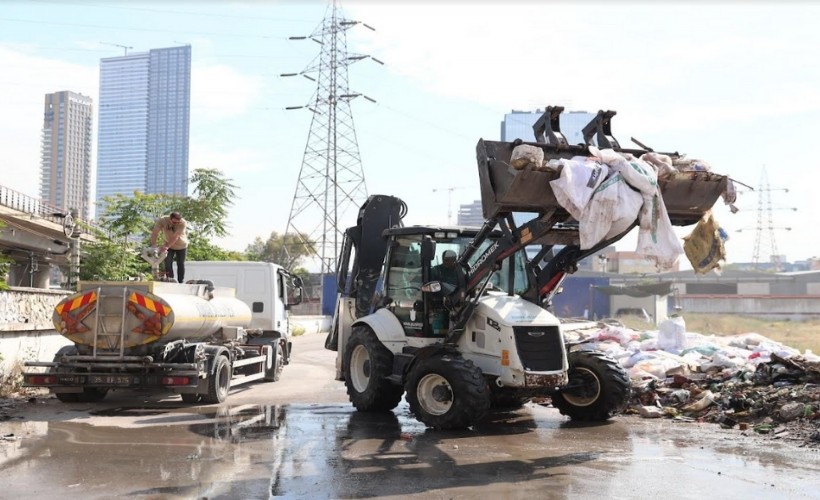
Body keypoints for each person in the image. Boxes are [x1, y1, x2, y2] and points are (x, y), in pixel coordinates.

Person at [150, 211, 188, 283]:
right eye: (174, 222)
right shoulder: (162, 220)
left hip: (181, 245)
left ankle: (181, 282)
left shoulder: (183, 223)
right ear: (170, 219)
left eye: (178, 222)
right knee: (167, 263)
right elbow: (155, 232)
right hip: (169, 245)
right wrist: (153, 245)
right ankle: (170, 280)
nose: (176, 224)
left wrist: (166, 246)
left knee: (180, 263)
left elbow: (176, 236)